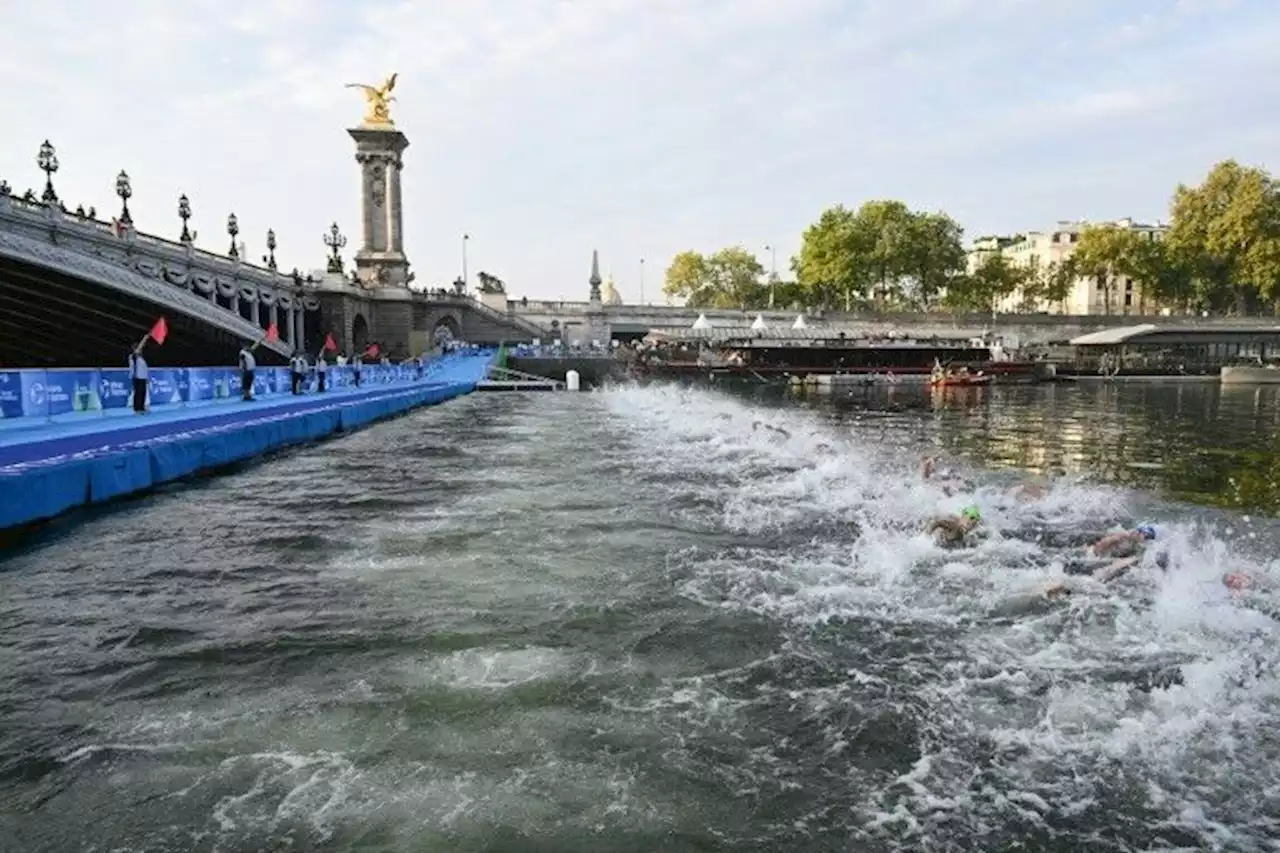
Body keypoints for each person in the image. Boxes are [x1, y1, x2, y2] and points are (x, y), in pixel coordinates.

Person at [128, 344, 148, 414]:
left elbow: (145, 369)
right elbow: (135, 354)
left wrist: (146, 378)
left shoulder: (141, 358)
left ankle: (142, 407)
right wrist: (145, 338)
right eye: (139, 349)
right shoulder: (132, 356)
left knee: (143, 392)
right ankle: (136, 408)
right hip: (136, 377)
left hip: (143, 377)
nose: (140, 350)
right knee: (138, 393)